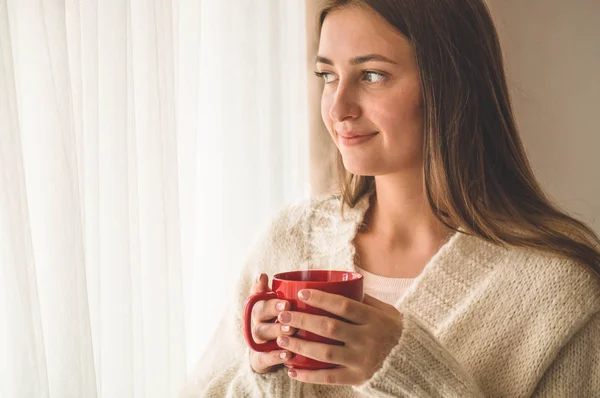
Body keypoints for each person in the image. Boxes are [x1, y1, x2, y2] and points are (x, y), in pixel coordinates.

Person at [180, 0, 600, 396]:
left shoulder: (560, 292)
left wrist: (412, 374)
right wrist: (266, 378)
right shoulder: (291, 241)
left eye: (372, 75)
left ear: (449, 83)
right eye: (327, 75)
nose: (338, 107)